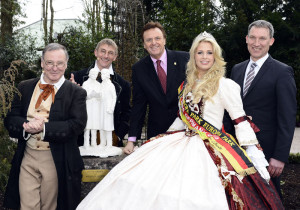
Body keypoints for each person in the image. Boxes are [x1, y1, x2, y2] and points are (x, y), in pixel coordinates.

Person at [76, 32, 284, 210]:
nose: (204, 57)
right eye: (200, 52)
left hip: (210, 149)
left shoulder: (225, 85)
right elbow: (181, 118)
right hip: (181, 141)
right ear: (193, 56)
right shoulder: (187, 85)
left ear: (216, 56)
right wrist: (160, 140)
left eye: (209, 52)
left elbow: (240, 121)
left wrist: (253, 152)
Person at [3, 43, 87, 210]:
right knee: (26, 205)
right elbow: (11, 118)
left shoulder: (76, 92)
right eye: (49, 63)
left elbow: (77, 125)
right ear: (42, 63)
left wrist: (44, 128)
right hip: (27, 156)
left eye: (60, 63)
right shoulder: (24, 87)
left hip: (57, 158)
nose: (54, 68)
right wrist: (25, 126)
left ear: (66, 64)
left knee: (50, 206)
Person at [224, 20, 297, 198]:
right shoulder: (237, 70)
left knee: (269, 197)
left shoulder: (282, 72)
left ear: (271, 41)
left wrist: (279, 156)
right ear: (246, 39)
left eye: (262, 38)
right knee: (240, 197)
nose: (257, 43)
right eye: (253, 38)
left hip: (266, 151)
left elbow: (287, 117)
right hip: (237, 148)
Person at [124, 21, 189, 154]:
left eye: (157, 38)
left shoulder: (185, 59)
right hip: (157, 134)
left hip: (185, 130)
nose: (153, 43)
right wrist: (131, 140)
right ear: (144, 44)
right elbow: (139, 105)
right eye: (149, 40)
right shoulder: (139, 69)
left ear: (164, 40)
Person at [71, 38, 131, 147]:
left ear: (115, 57)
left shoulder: (124, 85)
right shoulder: (78, 77)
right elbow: (68, 108)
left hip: (111, 140)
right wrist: (71, 92)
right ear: (96, 53)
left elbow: (127, 113)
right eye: (103, 51)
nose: (106, 56)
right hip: (82, 140)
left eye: (110, 53)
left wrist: (118, 136)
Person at [82, 67, 102, 148]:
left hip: (96, 107)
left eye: (96, 74)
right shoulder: (85, 84)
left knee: (94, 125)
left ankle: (94, 143)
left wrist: (97, 95)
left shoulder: (98, 84)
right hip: (88, 106)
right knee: (87, 126)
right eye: (93, 74)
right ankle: (86, 143)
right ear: (89, 74)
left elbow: (101, 96)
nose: (94, 75)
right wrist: (90, 95)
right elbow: (83, 96)